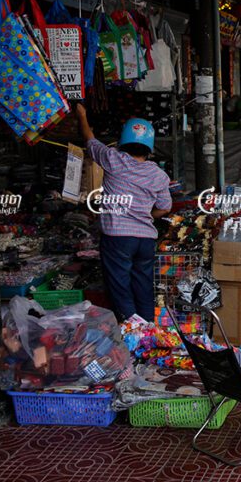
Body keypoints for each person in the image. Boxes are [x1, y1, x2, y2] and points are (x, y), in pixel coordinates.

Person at [75, 105, 171, 321]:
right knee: (143, 287)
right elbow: (165, 207)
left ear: (123, 141)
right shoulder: (158, 175)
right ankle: (147, 331)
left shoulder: (112, 159)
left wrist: (82, 115)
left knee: (120, 287)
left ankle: (131, 332)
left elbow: (90, 141)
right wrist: (145, 214)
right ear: (149, 147)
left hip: (118, 237)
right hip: (145, 239)